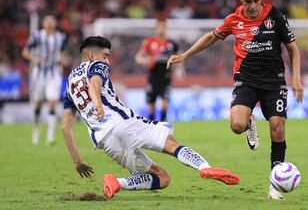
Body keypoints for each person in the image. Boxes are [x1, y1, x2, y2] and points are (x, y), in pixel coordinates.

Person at [167, 0, 304, 200]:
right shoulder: (233, 19)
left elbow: (293, 49)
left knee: (278, 129)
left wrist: (296, 79)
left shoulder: (275, 16)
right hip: (246, 80)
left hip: (274, 82)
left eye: (256, 1)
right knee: (237, 126)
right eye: (247, 1)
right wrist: (184, 55)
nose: (251, 6)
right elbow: (211, 37)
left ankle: (274, 184)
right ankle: (249, 121)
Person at [61, 36, 239, 199]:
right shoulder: (97, 64)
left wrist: (78, 161)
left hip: (106, 141)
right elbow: (94, 84)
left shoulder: (69, 86)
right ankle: (205, 168)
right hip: (122, 123)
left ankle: (117, 182)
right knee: (171, 143)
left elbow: (65, 127)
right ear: (92, 54)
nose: (107, 60)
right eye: (105, 55)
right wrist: (98, 104)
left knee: (162, 178)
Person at [22, 14, 67, 146]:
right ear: (43, 23)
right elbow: (25, 52)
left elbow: (62, 53)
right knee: (39, 104)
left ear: (55, 23)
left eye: (52, 20)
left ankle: (50, 136)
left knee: (52, 102)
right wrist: (34, 59)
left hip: (54, 74)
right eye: (47, 20)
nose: (49, 22)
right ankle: (36, 129)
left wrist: (63, 63)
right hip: (39, 73)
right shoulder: (37, 36)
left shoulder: (61, 37)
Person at [135, 18, 178, 121]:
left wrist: (179, 70)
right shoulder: (149, 42)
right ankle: (152, 128)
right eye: (159, 27)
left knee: (165, 104)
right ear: (156, 28)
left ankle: (163, 126)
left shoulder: (172, 43)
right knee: (152, 106)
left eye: (163, 26)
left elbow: (177, 58)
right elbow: (138, 57)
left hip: (166, 77)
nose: (161, 29)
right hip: (153, 77)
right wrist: (147, 60)